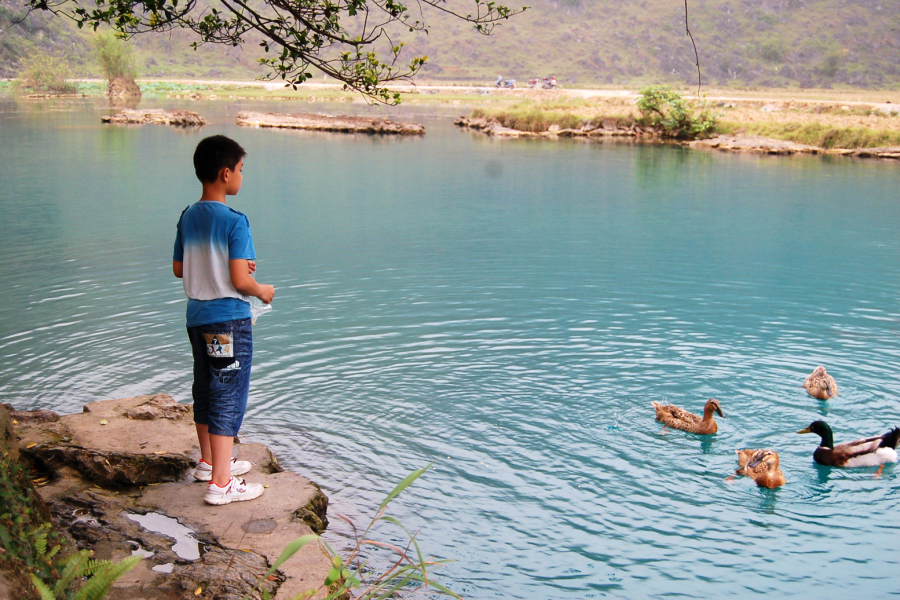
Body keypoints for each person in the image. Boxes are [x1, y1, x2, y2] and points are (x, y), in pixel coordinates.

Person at [173, 135, 275, 505]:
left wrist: (221, 267)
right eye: (242, 170)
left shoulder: (189, 216)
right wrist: (261, 289)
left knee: (205, 386)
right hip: (228, 321)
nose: (242, 177)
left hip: (197, 318)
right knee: (228, 394)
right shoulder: (235, 221)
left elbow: (178, 268)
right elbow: (239, 281)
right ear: (225, 172)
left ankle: (208, 462)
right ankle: (222, 482)